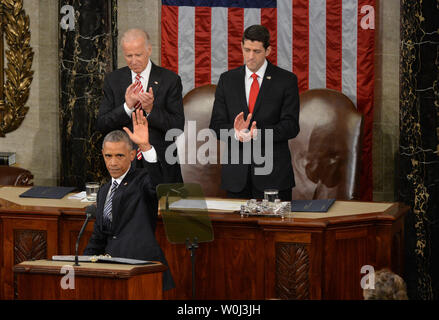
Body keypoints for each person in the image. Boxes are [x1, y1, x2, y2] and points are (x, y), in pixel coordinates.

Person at [84, 109, 174, 291]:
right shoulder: (103, 191)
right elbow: (99, 237)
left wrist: (146, 147)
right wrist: (83, 266)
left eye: (119, 156)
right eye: (108, 156)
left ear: (132, 156)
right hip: (113, 272)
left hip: (142, 270)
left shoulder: (142, 181)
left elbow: (159, 186)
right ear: (102, 155)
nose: (113, 163)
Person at [209, 25, 300, 201]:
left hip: (274, 177)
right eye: (247, 50)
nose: (250, 56)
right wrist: (236, 133)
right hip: (236, 178)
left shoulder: (286, 80)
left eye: (257, 51)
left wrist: (257, 134)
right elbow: (216, 125)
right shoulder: (227, 80)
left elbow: (291, 126)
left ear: (268, 50)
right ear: (241, 47)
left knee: (274, 229)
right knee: (237, 229)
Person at [97, 28, 184, 183]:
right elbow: (102, 124)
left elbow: (177, 126)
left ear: (149, 50)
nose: (133, 60)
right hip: (124, 167)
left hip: (161, 165)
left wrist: (151, 110)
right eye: (129, 56)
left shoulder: (169, 80)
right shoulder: (113, 80)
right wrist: (127, 107)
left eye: (138, 55)